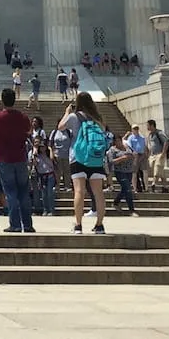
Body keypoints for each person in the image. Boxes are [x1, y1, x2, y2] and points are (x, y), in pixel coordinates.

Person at [0, 88, 33, 233]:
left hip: (5, 158)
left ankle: (15, 224)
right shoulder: (22, 116)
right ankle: (27, 224)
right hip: (20, 157)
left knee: (10, 192)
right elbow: (29, 131)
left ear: (2, 100)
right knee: (23, 191)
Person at [62, 92, 108, 235]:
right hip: (96, 158)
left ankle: (78, 225)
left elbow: (60, 127)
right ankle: (99, 225)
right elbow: (103, 132)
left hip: (78, 157)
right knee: (98, 192)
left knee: (79, 191)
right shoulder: (98, 119)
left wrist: (66, 112)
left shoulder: (74, 117)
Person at [145, 119, 169, 193]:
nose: (147, 127)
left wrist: (163, 153)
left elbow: (166, 141)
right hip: (153, 155)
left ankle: (153, 184)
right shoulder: (150, 135)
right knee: (160, 171)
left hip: (159, 154)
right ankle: (165, 187)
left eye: (148, 125)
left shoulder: (159, 133)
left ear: (152, 125)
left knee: (157, 170)